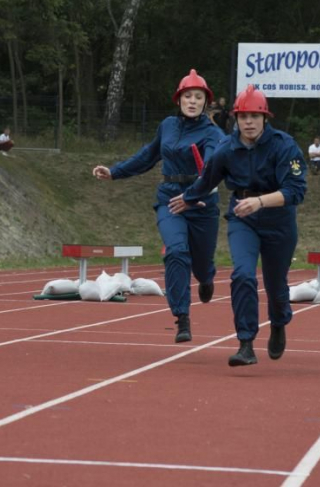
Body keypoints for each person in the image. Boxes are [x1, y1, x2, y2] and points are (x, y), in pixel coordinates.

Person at [170, 84, 307, 367]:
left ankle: (279, 323)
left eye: (254, 117)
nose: (248, 122)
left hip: (279, 220)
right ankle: (246, 343)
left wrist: (260, 202)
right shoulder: (226, 147)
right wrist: (188, 197)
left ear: (265, 118)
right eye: (243, 116)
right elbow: (208, 180)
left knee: (275, 285)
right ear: (235, 118)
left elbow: (296, 191)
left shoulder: (284, 145)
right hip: (242, 218)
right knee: (243, 275)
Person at [93, 69, 224, 344]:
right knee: (176, 252)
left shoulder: (213, 133)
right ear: (179, 99)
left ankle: (206, 278)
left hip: (201, 202)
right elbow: (148, 156)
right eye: (187, 96)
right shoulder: (167, 125)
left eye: (198, 97)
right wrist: (115, 172)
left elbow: (212, 166)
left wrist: (194, 194)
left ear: (205, 102)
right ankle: (182, 317)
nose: (192, 101)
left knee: (201, 266)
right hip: (170, 199)